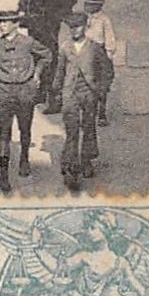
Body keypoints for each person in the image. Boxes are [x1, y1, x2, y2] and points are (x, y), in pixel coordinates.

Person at [0, 8, 50, 191]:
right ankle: (4, 174)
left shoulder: (28, 42)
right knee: (4, 132)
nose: (2, 26)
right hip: (5, 92)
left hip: (25, 91)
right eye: (0, 22)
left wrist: (37, 74)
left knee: (25, 128)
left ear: (16, 24)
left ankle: (24, 158)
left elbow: (47, 55)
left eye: (6, 22)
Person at [53, 12, 113, 191]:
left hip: (88, 93)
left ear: (85, 27)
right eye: (71, 27)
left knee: (88, 127)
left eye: (77, 27)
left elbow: (107, 71)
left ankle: (86, 160)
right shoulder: (65, 48)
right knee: (71, 130)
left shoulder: (95, 48)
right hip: (70, 92)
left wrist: (101, 89)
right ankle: (71, 166)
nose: (74, 31)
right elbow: (60, 71)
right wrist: (56, 91)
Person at [19, 0, 76, 114]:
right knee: (37, 57)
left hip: (48, 25)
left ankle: (55, 99)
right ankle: (40, 93)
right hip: (33, 24)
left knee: (51, 60)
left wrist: (53, 16)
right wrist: (21, 10)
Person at [79, 0, 119, 124]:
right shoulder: (83, 18)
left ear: (98, 6)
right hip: (85, 52)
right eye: (85, 4)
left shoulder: (104, 20)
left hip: (99, 53)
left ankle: (101, 113)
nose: (86, 7)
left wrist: (109, 53)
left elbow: (110, 37)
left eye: (89, 5)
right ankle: (86, 114)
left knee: (101, 85)